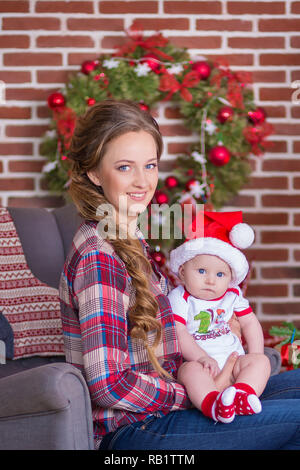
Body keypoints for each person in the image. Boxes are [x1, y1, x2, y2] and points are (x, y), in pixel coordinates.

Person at [59, 98, 300, 450]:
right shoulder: (100, 255)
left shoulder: (128, 237)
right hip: (133, 432)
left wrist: (219, 333)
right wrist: (196, 392)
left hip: (175, 399)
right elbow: (108, 384)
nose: (142, 181)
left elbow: (166, 328)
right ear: (95, 173)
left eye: (150, 165)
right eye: (125, 167)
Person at [167, 211, 271, 423]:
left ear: (231, 278)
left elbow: (250, 322)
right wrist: (201, 357)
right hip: (204, 367)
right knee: (188, 371)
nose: (211, 281)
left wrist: (255, 354)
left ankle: (242, 394)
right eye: (202, 271)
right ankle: (213, 404)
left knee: (262, 362)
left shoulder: (232, 296)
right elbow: (178, 331)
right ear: (183, 270)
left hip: (235, 366)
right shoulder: (180, 297)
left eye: (220, 274)